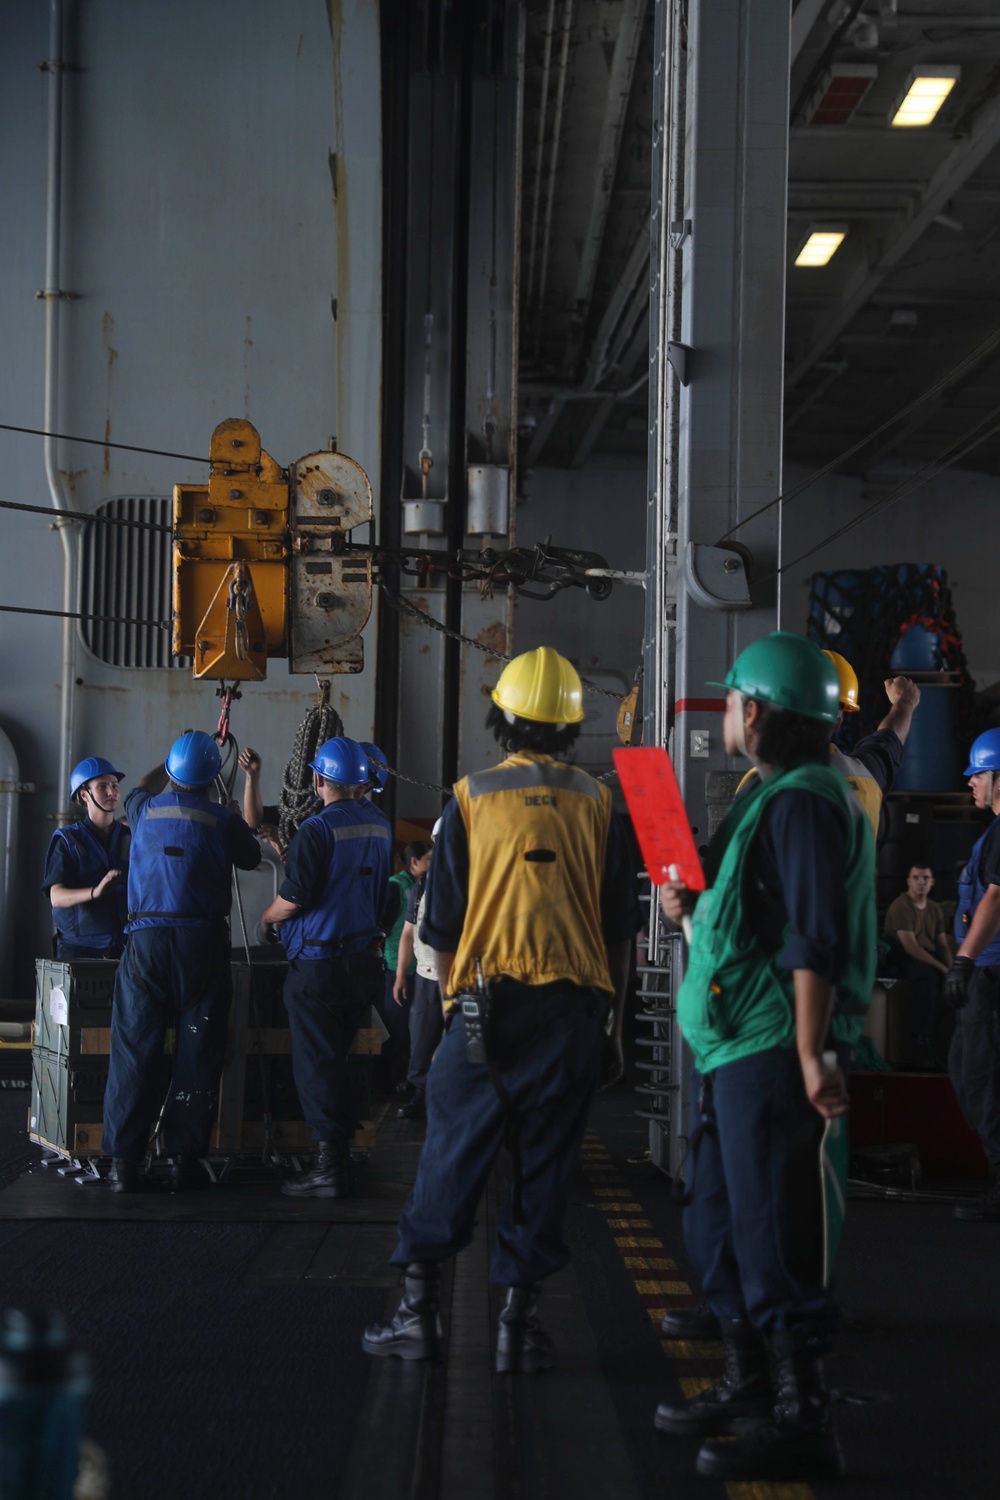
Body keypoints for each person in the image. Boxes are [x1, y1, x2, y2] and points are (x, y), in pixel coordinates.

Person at [362, 645, 639, 1372]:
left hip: (488, 1010)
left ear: (502, 719)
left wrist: (459, 1012)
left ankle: (418, 1318)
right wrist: (607, 1026)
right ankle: (520, 1327)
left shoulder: (471, 798)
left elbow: (442, 928)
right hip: (574, 1013)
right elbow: (618, 929)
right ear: (571, 726)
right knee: (546, 1164)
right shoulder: (604, 803)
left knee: (449, 1155)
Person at [655, 632, 875, 1482]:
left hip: (777, 1048)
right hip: (737, 1047)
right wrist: (687, 903)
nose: (728, 719)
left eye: (734, 704)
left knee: (778, 1231)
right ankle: (748, 1379)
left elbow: (812, 935)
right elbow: (746, 913)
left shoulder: (804, 802)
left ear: (759, 712)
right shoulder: (774, 795)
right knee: (723, 1221)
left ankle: (802, 1414)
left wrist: (813, 1050)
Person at [102, 731, 261, 1193]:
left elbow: (139, 789)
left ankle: (124, 1166)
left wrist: (164, 762)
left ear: (171, 774)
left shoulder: (142, 810)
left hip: (146, 944)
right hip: (201, 946)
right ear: (214, 778)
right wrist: (234, 811)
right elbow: (251, 857)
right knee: (198, 1049)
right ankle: (183, 1161)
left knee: (135, 1050)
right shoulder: (220, 820)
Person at [260, 736, 393, 1199]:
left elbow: (294, 899)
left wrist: (264, 918)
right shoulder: (379, 825)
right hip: (362, 964)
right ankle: (341, 1158)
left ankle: (328, 1169)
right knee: (338, 1059)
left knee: (317, 1064)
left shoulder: (317, 830)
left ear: (317, 779)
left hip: (319, 967)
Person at [943, 729, 1000, 1223]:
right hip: (984, 971)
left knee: (982, 1079)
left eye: (978, 774)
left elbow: (995, 898)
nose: (972, 784)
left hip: (991, 974)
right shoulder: (993, 832)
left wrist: (964, 960)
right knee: (968, 1072)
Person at [42, 758, 130, 960]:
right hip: (79, 951)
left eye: (115, 786)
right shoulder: (68, 840)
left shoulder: (128, 836)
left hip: (123, 946)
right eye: (102, 787)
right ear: (84, 795)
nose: (111, 792)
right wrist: (96, 892)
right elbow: (57, 897)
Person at [394, 823, 443, 1121]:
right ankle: (422, 1097)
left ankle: (451, 1100)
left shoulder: (474, 880)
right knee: (421, 1041)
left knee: (460, 1044)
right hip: (426, 976)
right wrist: (401, 974)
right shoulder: (421, 886)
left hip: (462, 978)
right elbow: (408, 934)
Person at [884, 864, 951, 1065]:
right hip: (902, 953)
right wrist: (941, 968)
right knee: (927, 978)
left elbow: (942, 945)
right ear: (908, 881)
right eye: (916, 878)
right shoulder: (901, 906)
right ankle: (920, 1042)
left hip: (926, 953)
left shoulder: (934, 908)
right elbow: (910, 947)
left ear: (932, 882)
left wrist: (952, 971)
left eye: (925, 878)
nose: (920, 882)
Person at [380, 840, 432, 1092]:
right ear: (414, 862)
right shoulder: (396, 886)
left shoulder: (422, 886)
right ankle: (388, 1083)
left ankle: (410, 1083)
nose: (432, 864)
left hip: (419, 967)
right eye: (428, 859)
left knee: (415, 1031)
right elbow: (385, 925)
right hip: (397, 966)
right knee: (396, 1028)